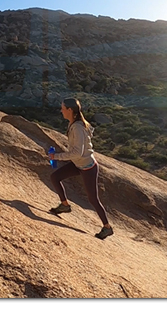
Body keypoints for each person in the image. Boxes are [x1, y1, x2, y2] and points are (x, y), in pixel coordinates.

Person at [47, 97, 113, 240]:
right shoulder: (75, 124)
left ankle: (107, 227)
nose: (61, 110)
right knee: (55, 177)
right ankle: (64, 205)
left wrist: (56, 156)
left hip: (88, 167)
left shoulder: (77, 127)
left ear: (70, 110)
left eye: (63, 108)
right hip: (78, 164)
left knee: (93, 199)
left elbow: (78, 152)